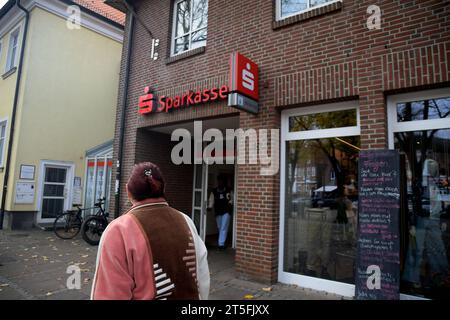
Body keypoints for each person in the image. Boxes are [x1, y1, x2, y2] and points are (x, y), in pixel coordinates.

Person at [91, 162, 210, 300]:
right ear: (163, 189)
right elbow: (202, 278)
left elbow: (110, 294)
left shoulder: (118, 230)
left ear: (128, 191)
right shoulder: (185, 221)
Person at [208, 174, 233, 250]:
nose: (220, 182)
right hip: (218, 211)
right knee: (220, 227)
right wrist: (210, 206)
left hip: (226, 211)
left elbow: (232, 198)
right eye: (219, 181)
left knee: (223, 227)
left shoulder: (228, 190)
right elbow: (211, 199)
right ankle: (221, 242)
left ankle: (221, 244)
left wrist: (230, 204)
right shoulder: (214, 191)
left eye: (221, 181)